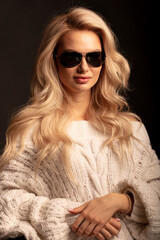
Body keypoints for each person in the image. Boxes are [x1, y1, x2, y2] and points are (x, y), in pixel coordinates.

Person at [0, 7, 159, 240]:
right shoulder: (33, 129)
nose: (84, 68)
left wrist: (121, 201)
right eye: (71, 58)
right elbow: (7, 199)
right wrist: (74, 215)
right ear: (53, 61)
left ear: (105, 61)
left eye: (94, 57)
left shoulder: (129, 128)